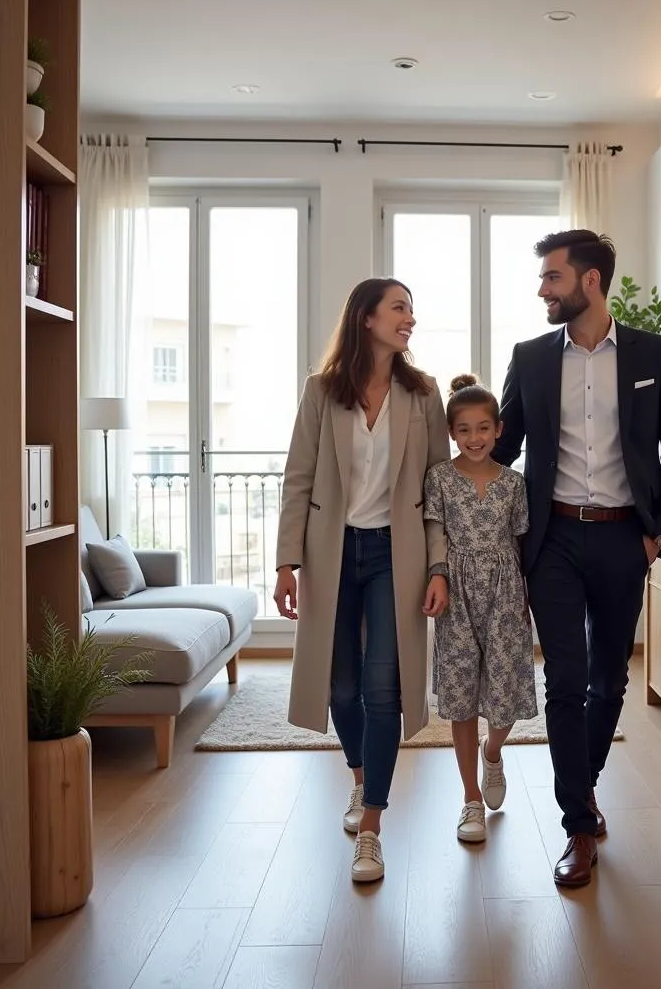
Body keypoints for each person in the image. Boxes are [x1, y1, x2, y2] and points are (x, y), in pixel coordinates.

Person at [492, 229, 661, 888]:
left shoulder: (652, 354)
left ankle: (585, 784)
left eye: (551, 277)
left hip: (621, 539)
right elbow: (500, 451)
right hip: (551, 540)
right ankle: (578, 825)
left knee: (611, 680)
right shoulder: (529, 357)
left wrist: (659, 531)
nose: (542, 290)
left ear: (589, 281)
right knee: (566, 681)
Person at [273, 277, 450, 884]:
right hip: (331, 554)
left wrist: (438, 565)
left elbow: (436, 493)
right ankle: (359, 777)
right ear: (367, 318)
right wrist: (285, 563)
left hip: (392, 556)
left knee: (384, 690)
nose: (410, 319)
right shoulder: (322, 391)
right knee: (339, 688)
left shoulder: (422, 394)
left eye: (411, 308)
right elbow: (299, 477)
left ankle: (371, 826)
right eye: (400, 308)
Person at [423, 374, 537, 844]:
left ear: (499, 429)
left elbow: (521, 540)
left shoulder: (514, 483)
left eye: (483, 428)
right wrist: (439, 578)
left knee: (505, 694)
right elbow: (436, 534)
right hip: (457, 595)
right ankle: (470, 798)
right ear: (452, 432)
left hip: (507, 592)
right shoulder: (440, 479)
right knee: (461, 697)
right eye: (465, 429)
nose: (475, 438)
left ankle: (494, 752)